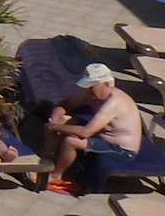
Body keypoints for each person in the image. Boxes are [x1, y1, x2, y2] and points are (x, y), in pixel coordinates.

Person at [44, 64, 144, 195]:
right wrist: (54, 120)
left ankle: (55, 176)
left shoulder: (114, 102)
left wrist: (55, 127)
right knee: (64, 121)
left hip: (121, 150)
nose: (89, 91)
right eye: (88, 87)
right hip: (102, 137)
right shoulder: (92, 95)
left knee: (71, 141)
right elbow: (65, 104)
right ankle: (44, 161)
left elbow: (86, 132)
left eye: (92, 87)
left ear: (106, 84)